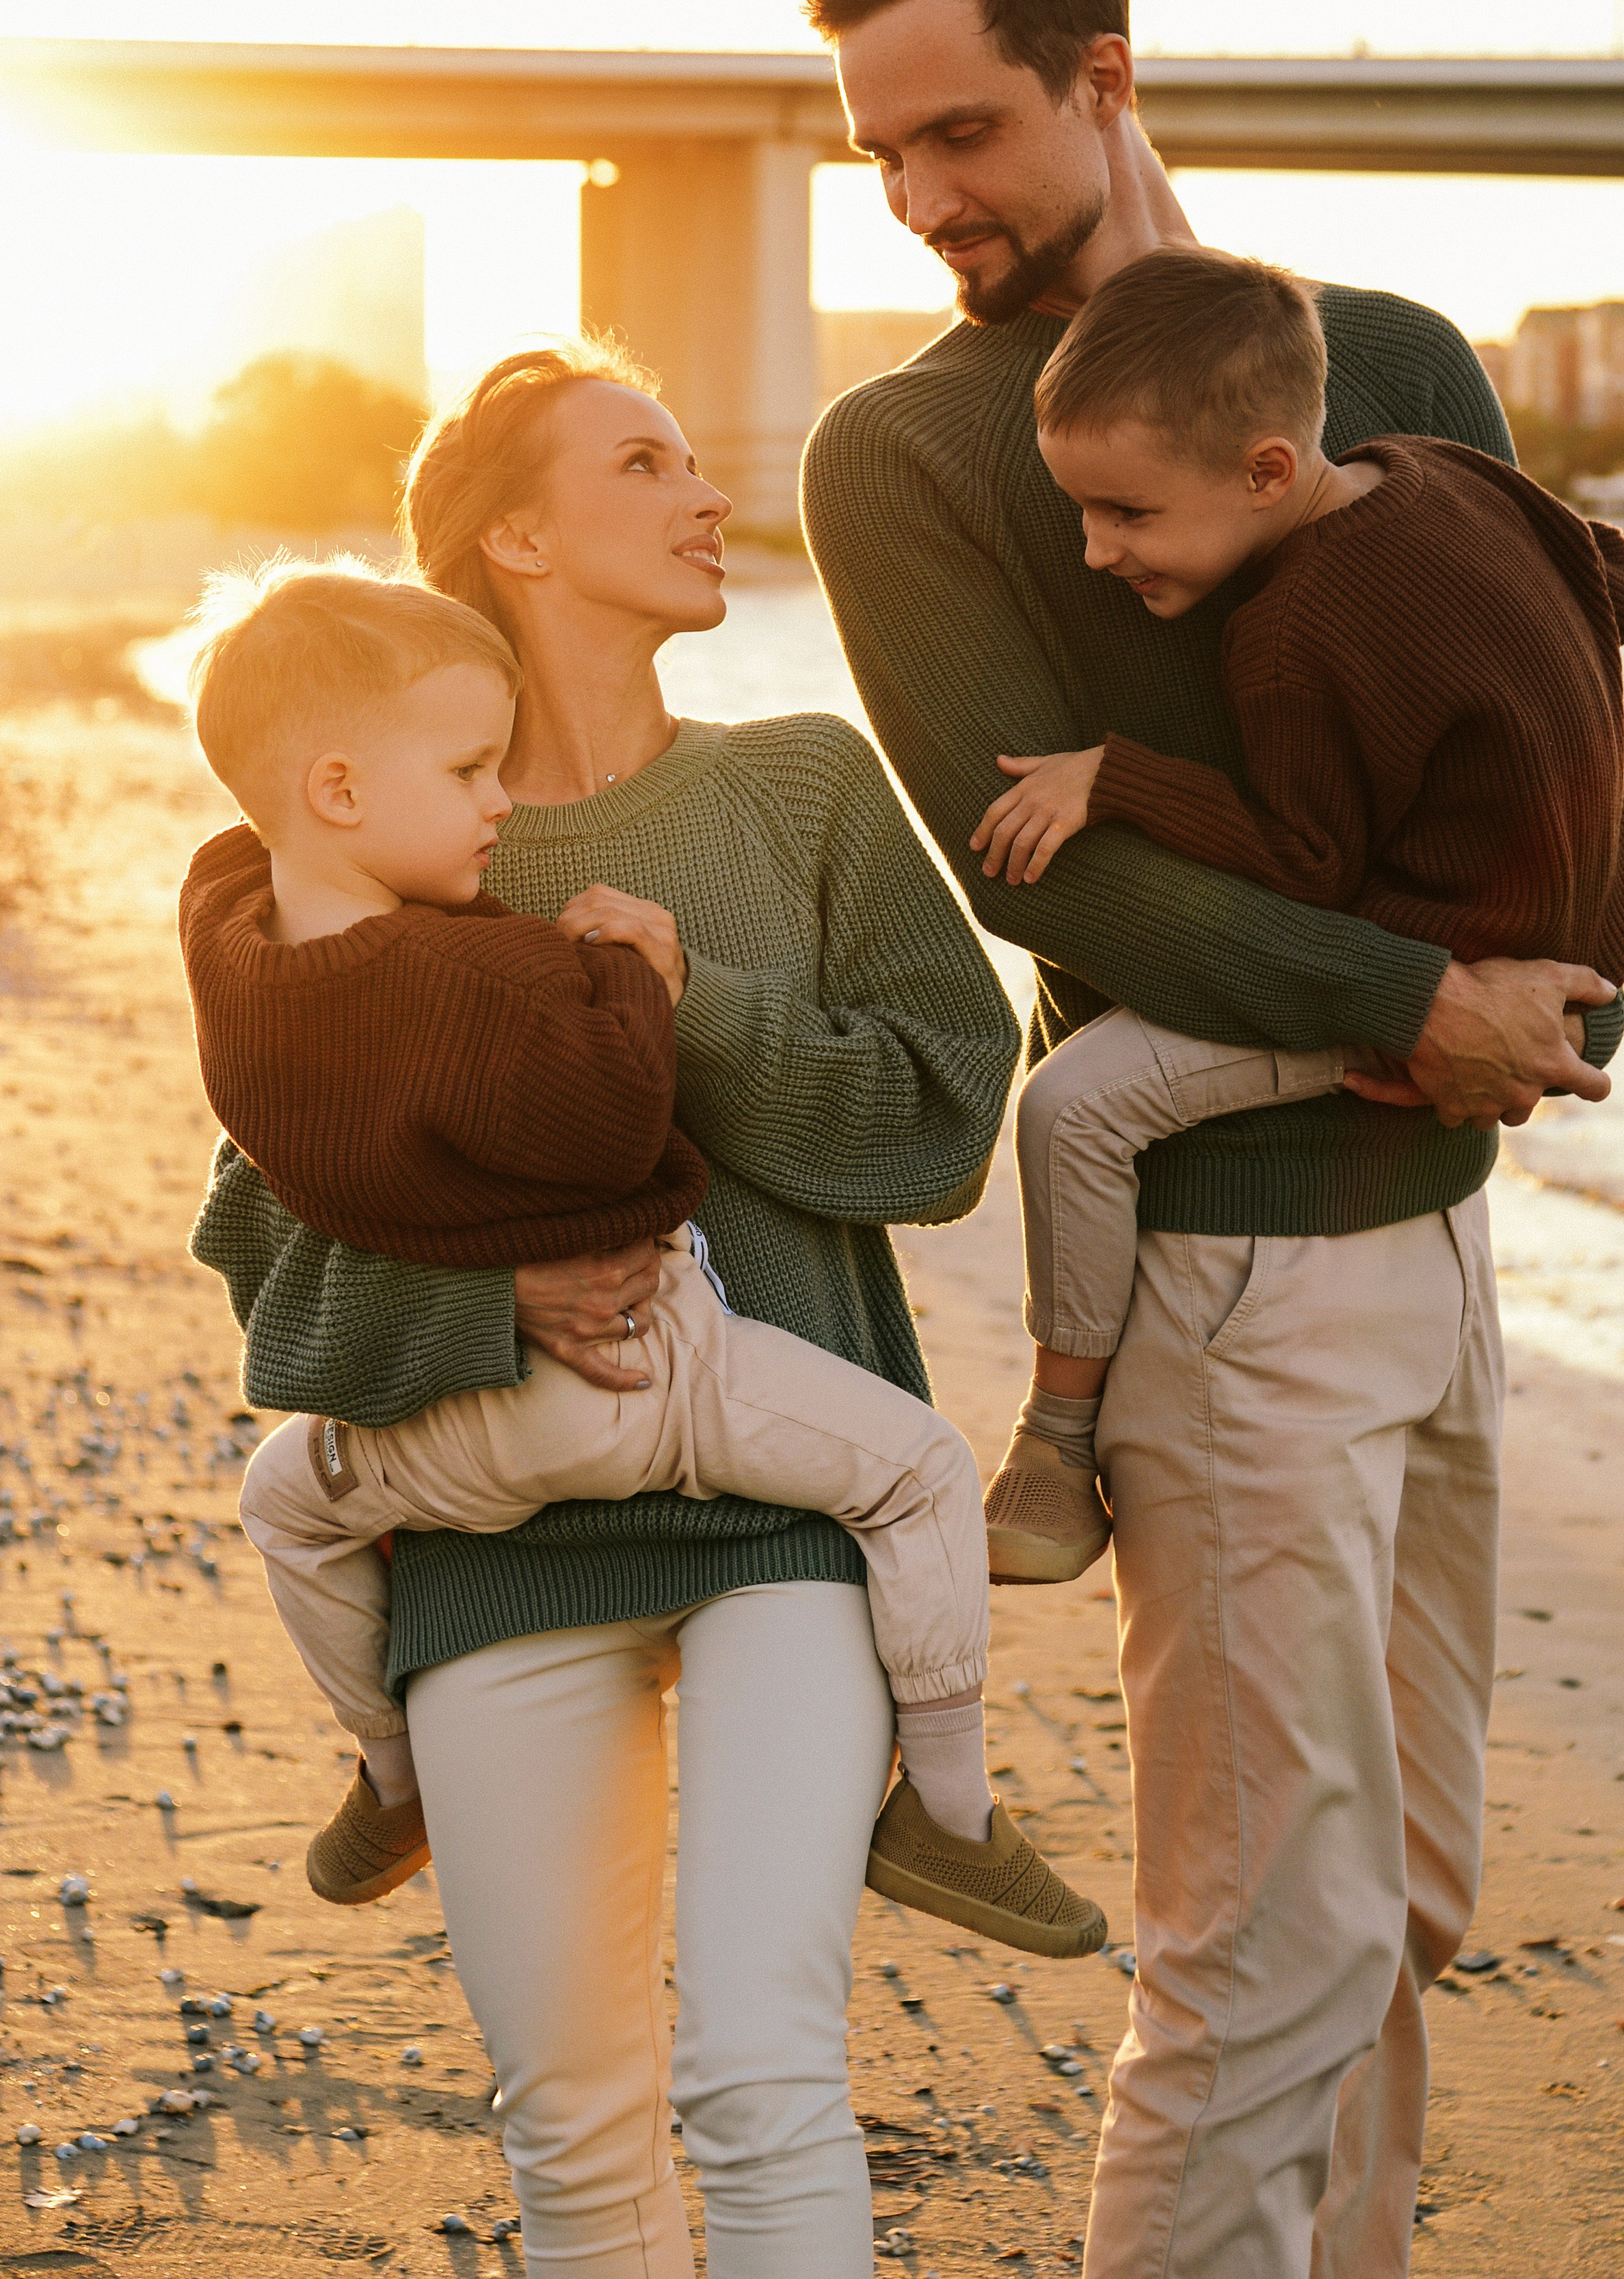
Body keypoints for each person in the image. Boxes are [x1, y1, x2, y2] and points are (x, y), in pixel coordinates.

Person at [800, 0, 1624, 2278]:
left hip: (1442, 1245)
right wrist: (1416, 1005)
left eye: (960, 132)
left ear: (1106, 74)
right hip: (1225, 1276)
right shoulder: (905, 449)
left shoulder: (1402, 358)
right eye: (880, 156)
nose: (922, 196)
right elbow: (1047, 880)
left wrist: (1570, 996)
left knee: (1410, 1905)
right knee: (1263, 1948)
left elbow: (1557, 743)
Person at [189, 336, 1023, 2278]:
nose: (705, 491)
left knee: (760, 2074)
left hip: (783, 1519)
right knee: (569, 2118)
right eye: (643, 462)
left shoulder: (799, 783)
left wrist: (688, 999)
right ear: (518, 538)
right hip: (495, 1545)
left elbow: (942, 1118)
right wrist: (492, 1302)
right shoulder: (366, 847)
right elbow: (260, 1251)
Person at [183, 554, 1101, 1958]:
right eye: (467, 771)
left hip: (439, 1451)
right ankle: (954, 1811)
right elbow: (611, 1125)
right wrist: (635, 983)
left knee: (282, 1502)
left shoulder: (243, 955)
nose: (494, 803)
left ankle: (387, 1772)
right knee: (921, 1471)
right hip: (654, 1383)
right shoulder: (479, 955)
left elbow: (939, 1122)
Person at [970, 246, 1624, 1579]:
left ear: (1266, 472)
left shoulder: (1292, 630)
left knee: (1068, 1108)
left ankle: (1055, 1446)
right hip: (1598, 911)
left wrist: (1118, 778)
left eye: (1125, 514)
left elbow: (1304, 870)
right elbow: (1608, 579)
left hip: (1442, 954)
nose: (1096, 551)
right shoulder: (1439, 474)